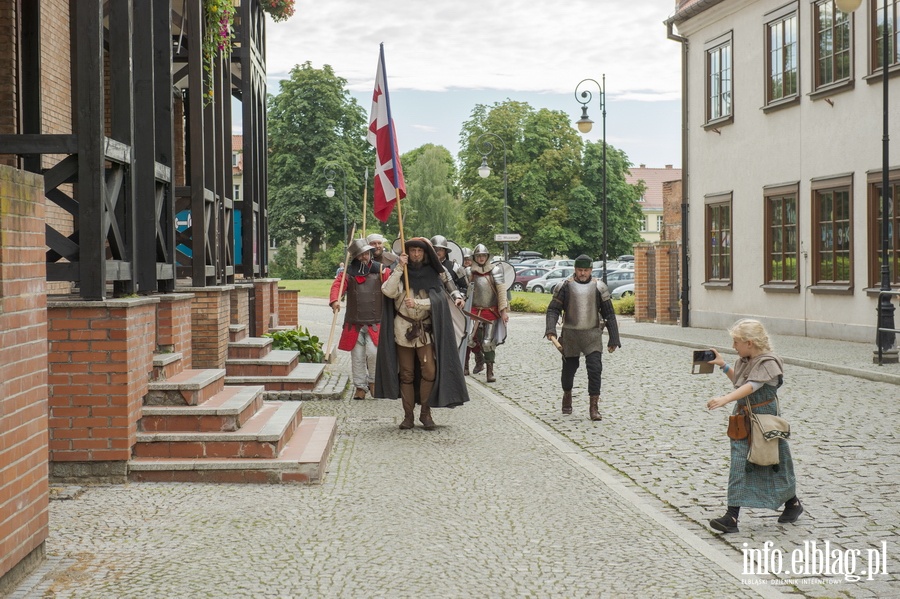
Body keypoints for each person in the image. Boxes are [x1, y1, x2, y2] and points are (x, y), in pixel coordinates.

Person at [705, 319, 802, 533]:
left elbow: (753, 386)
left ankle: (792, 503)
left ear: (749, 342)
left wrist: (725, 399)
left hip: (764, 423)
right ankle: (731, 517)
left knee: (774, 464)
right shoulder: (745, 359)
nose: (733, 346)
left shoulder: (768, 362)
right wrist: (723, 366)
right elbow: (740, 383)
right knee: (739, 464)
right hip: (743, 421)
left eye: (736, 342)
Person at [375, 237, 468, 430]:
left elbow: (440, 299)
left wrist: (418, 303)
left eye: (419, 251)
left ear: (425, 254)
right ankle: (408, 416)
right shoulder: (400, 273)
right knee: (407, 375)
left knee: (430, 372)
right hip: (402, 331)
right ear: (407, 253)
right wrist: (400, 268)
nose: (416, 254)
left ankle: (425, 413)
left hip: (424, 332)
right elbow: (388, 291)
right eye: (413, 251)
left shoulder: (432, 274)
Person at [544, 254, 620, 421]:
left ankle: (593, 407)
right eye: (580, 270)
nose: (583, 273)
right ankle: (567, 394)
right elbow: (553, 309)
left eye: (586, 270)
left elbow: (609, 313)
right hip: (571, 335)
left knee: (595, 370)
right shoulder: (564, 287)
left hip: (592, 335)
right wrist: (551, 329)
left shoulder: (599, 287)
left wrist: (614, 338)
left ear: (591, 270)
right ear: (575, 270)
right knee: (568, 371)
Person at [329, 240, 390, 399]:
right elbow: (337, 286)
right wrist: (335, 300)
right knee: (357, 357)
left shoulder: (381, 270)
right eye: (361, 254)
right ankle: (360, 387)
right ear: (356, 256)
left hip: (375, 322)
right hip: (354, 324)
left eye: (367, 253)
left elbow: (393, 283)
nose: (365, 256)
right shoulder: (347, 273)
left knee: (374, 353)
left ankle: (374, 382)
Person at [466, 244, 509, 383]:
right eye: (478, 256)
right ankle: (479, 359)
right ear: (475, 257)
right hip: (474, 312)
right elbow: (465, 292)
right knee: (470, 340)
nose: (481, 258)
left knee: (487, 342)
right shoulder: (469, 272)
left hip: (490, 311)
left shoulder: (495, 271)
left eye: (483, 255)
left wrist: (503, 311)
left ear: (487, 256)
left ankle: (490, 371)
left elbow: (502, 292)